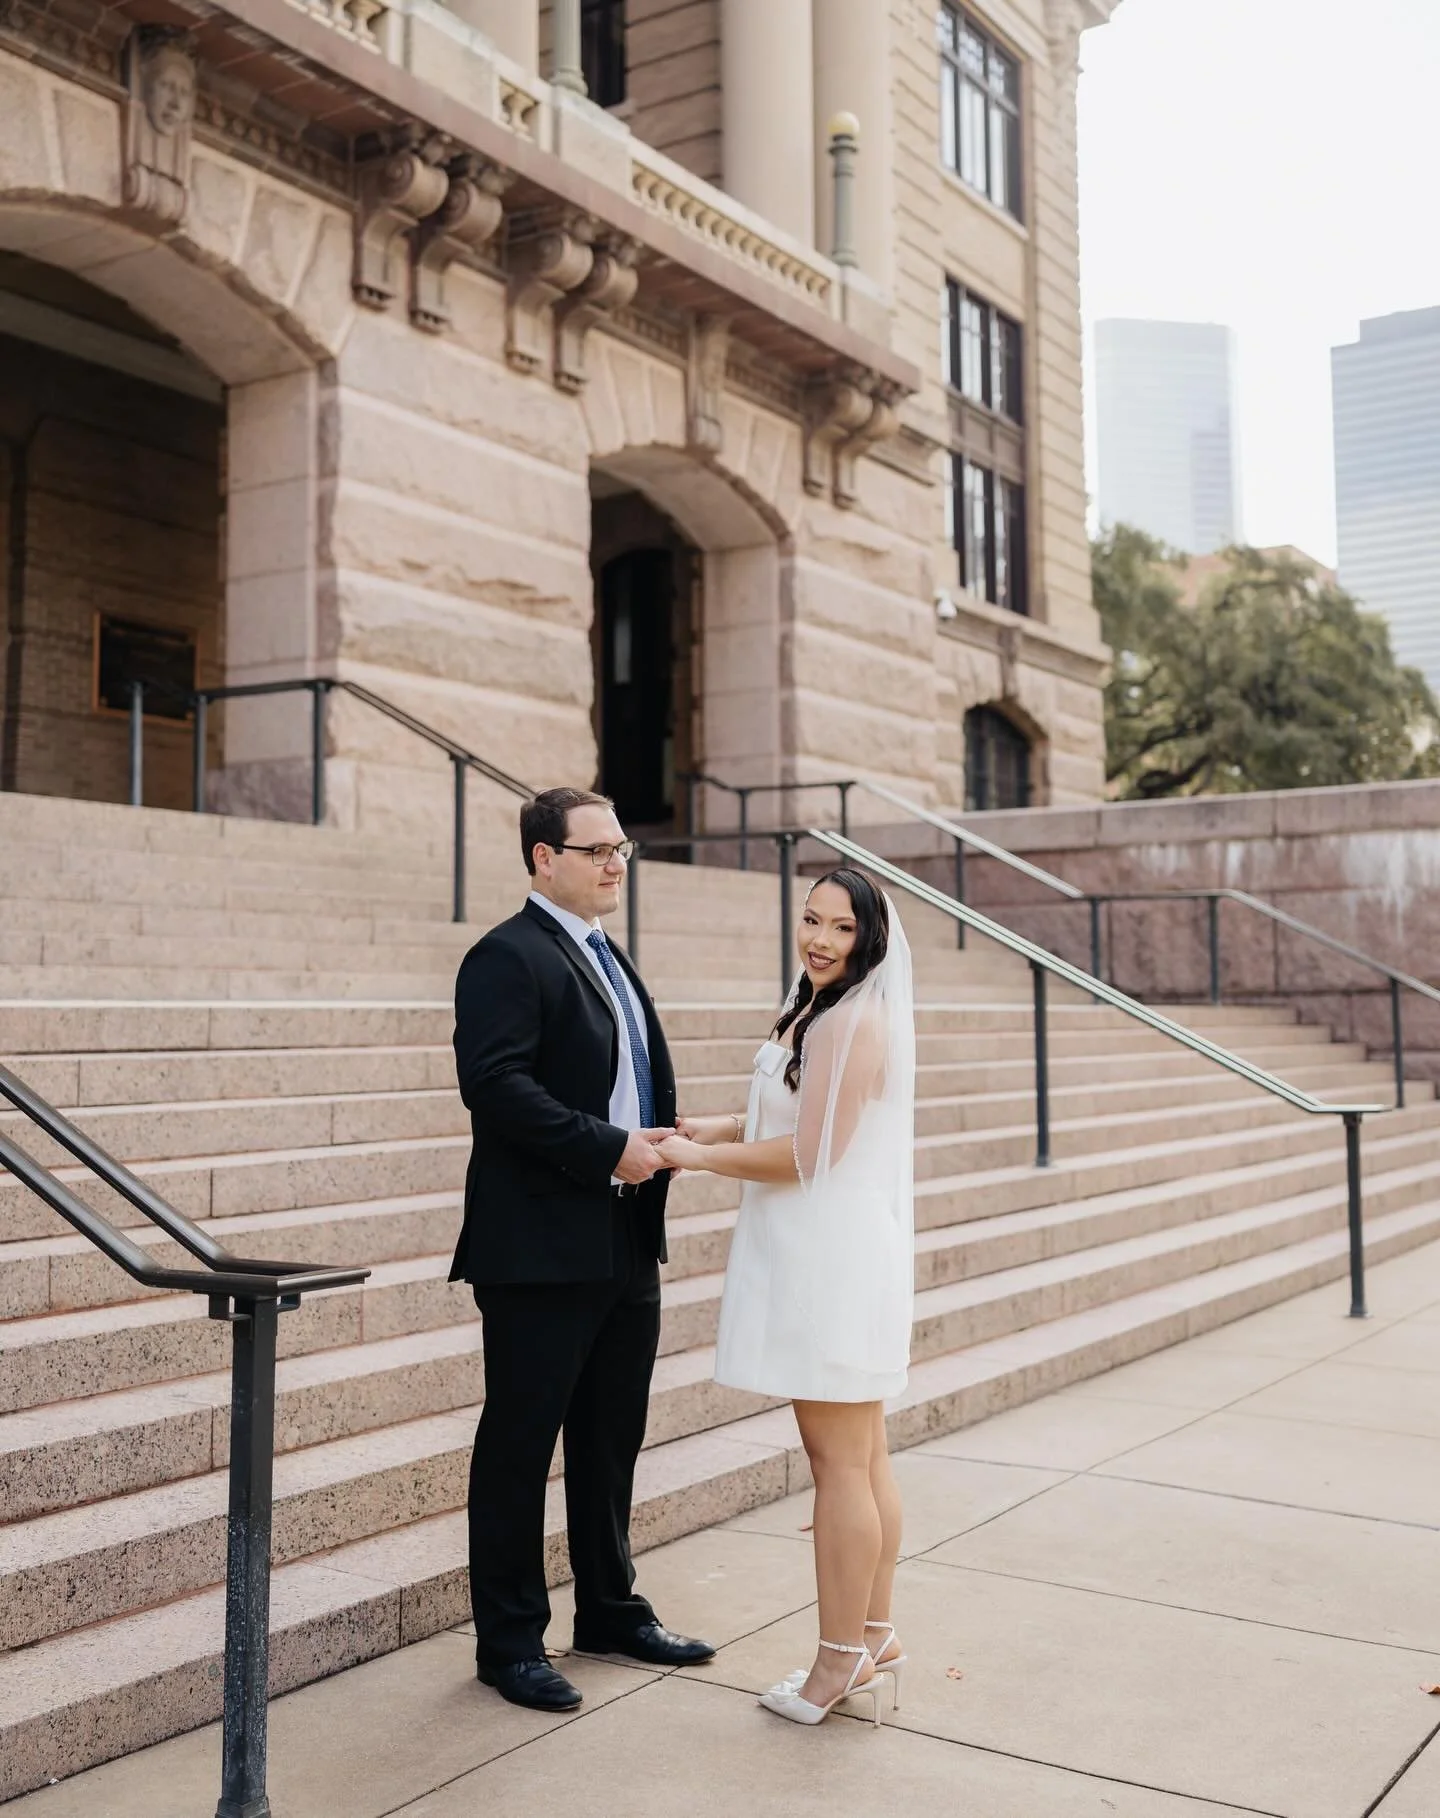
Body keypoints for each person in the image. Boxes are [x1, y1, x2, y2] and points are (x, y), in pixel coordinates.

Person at [450, 787, 716, 1713]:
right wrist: (610, 1145)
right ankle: (510, 1642)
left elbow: (609, 1074)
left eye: (622, 849)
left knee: (610, 1441)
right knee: (520, 1448)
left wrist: (657, 1137)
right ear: (541, 859)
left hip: (622, 1236)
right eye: (595, 850)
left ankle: (608, 1608)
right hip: (537, 1245)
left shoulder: (604, 953)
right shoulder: (505, 955)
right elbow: (493, 1087)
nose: (614, 864)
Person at [657, 870, 915, 1728]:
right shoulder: (817, 1009)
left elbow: (809, 1158)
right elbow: (793, 1112)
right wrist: (719, 1128)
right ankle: (874, 1636)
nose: (820, 938)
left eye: (841, 928)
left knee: (841, 1462)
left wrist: (694, 1163)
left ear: (869, 938)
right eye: (811, 920)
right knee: (863, 1455)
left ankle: (837, 1660)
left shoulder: (852, 1020)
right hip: (821, 1249)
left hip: (828, 1258)